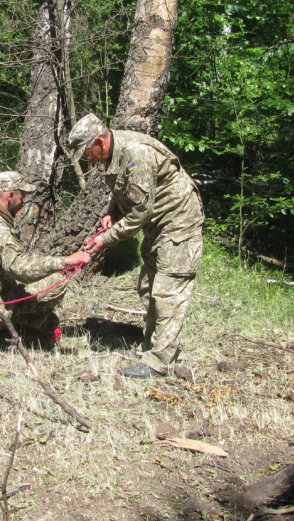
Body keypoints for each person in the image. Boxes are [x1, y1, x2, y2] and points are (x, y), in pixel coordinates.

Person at [68, 113, 204, 378]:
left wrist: (105, 239)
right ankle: (150, 347)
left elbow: (140, 213)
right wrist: (112, 212)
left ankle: (158, 362)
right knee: (148, 285)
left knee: (167, 290)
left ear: (99, 141)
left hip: (178, 222)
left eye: (86, 152)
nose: (87, 159)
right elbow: (126, 192)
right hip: (158, 223)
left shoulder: (136, 154)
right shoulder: (113, 154)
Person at [0, 171, 91, 346]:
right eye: (23, 196)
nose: (23, 203)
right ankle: (7, 332)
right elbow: (18, 269)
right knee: (55, 282)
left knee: (49, 317)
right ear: (11, 195)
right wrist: (64, 261)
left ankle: (26, 328)